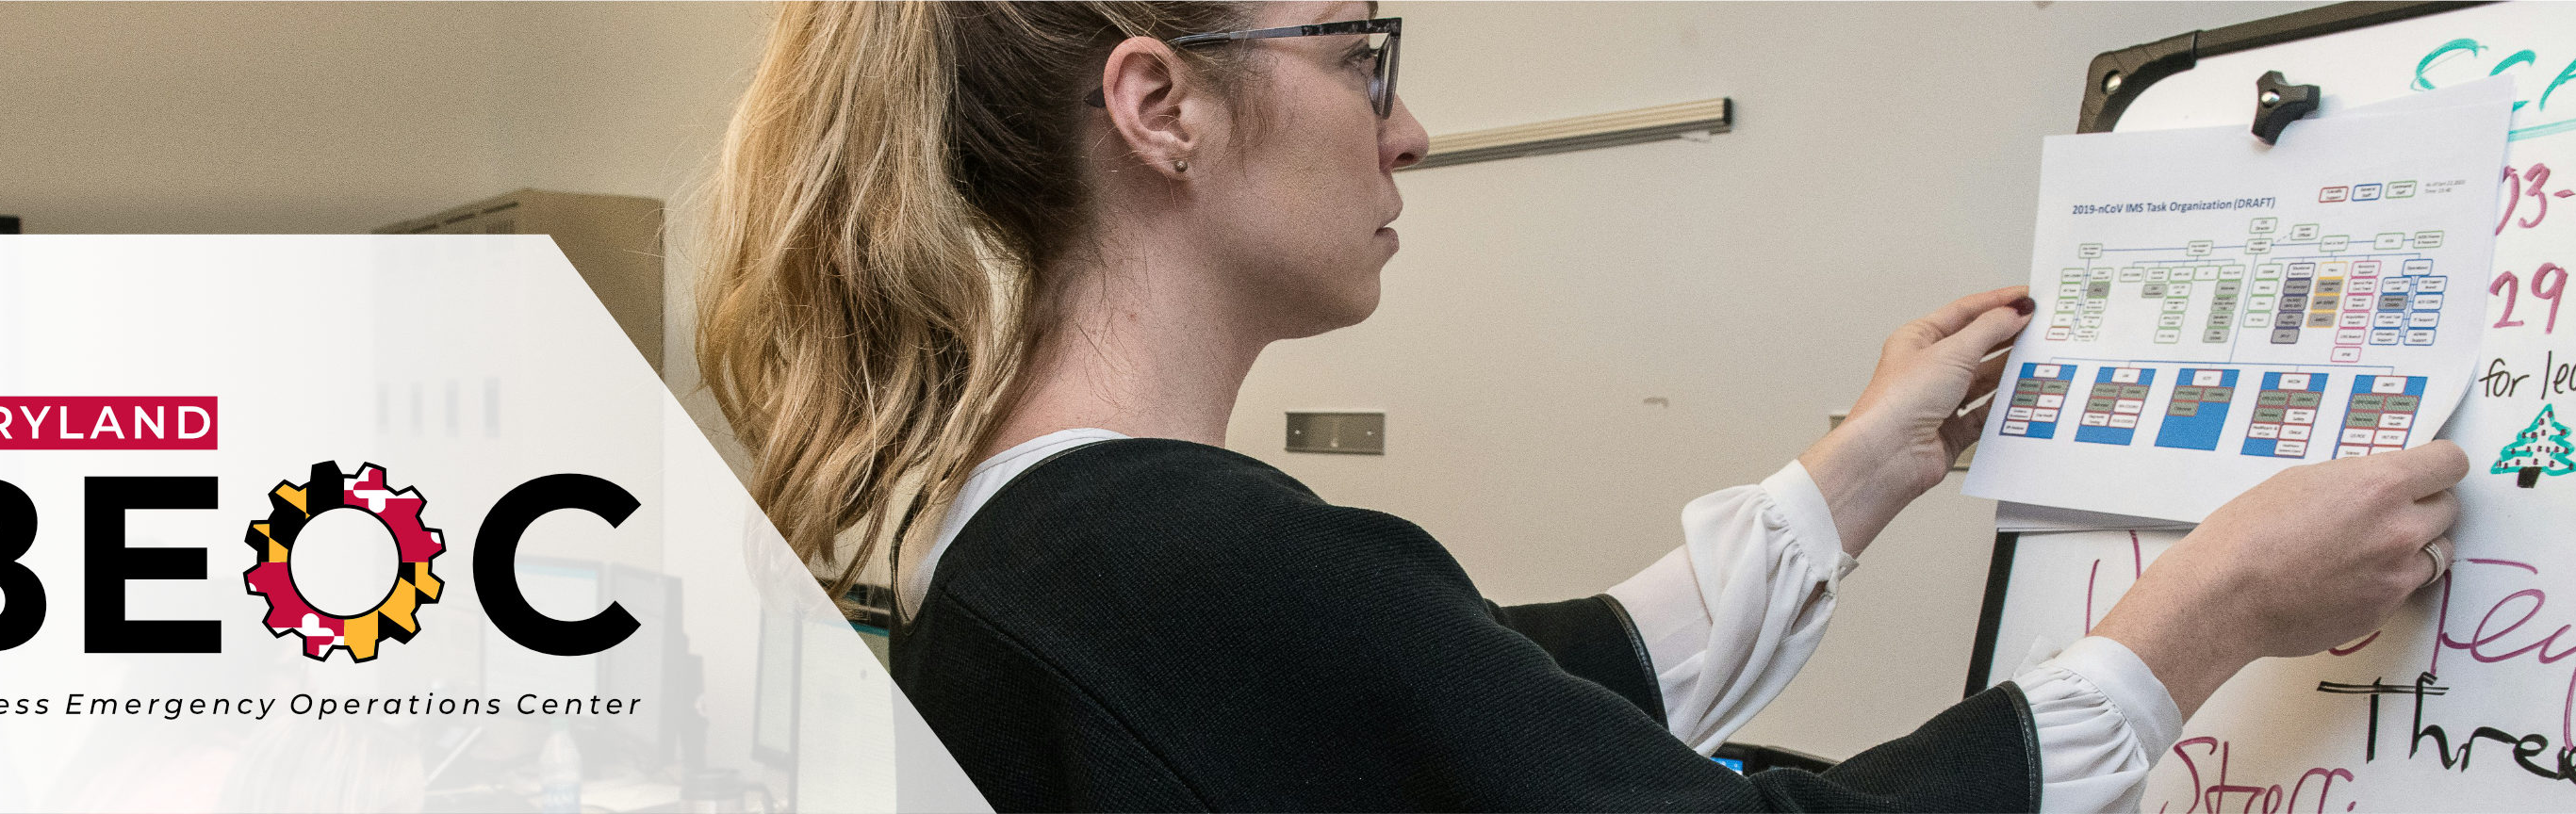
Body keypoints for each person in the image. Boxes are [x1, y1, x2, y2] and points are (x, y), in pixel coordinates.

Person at [694, 2, 2469, 810]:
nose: (1402, 126)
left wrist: (1855, 475)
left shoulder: (1048, 545)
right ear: (1160, 106)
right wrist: (2207, 611)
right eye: (1356, 51)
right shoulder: (1183, 557)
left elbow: (1487, 708)